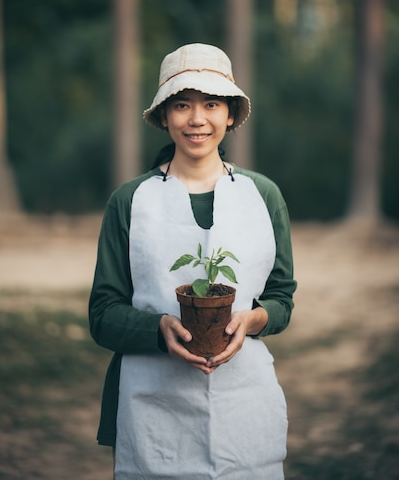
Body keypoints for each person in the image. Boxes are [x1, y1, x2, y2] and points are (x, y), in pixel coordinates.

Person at [89, 43, 297, 480]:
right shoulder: (130, 200)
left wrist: (254, 320)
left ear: (231, 115)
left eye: (212, 104)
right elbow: (103, 314)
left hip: (244, 400)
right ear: (164, 116)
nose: (197, 119)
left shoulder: (263, 196)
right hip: (153, 404)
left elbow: (281, 299)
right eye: (182, 104)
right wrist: (159, 328)